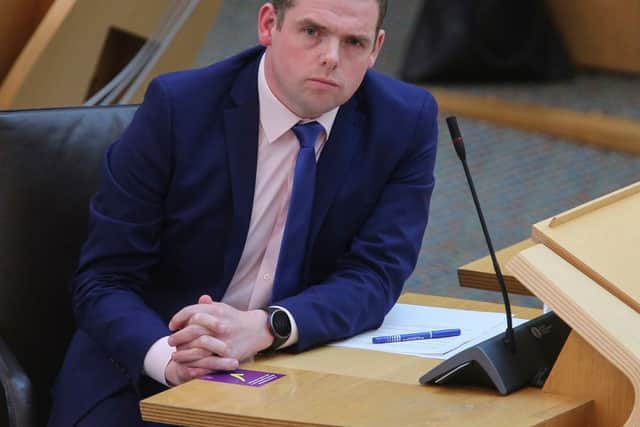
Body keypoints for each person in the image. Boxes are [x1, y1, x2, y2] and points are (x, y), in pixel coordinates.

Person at [48, 0, 438, 425]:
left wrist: (268, 326)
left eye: (354, 42)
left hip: (291, 366)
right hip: (145, 365)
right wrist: (172, 360)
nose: (331, 57)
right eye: (312, 32)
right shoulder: (178, 107)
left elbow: (375, 273)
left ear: (376, 48)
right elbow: (105, 279)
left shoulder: (404, 122)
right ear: (269, 24)